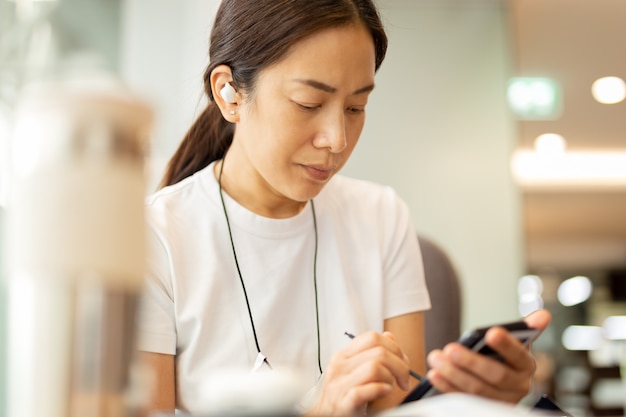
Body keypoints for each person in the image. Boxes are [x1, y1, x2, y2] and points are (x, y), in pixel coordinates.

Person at [136, 0, 551, 416]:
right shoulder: (153, 238)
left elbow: (400, 407)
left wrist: (480, 397)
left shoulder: (381, 216)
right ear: (228, 93)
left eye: (356, 108)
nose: (336, 139)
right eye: (308, 103)